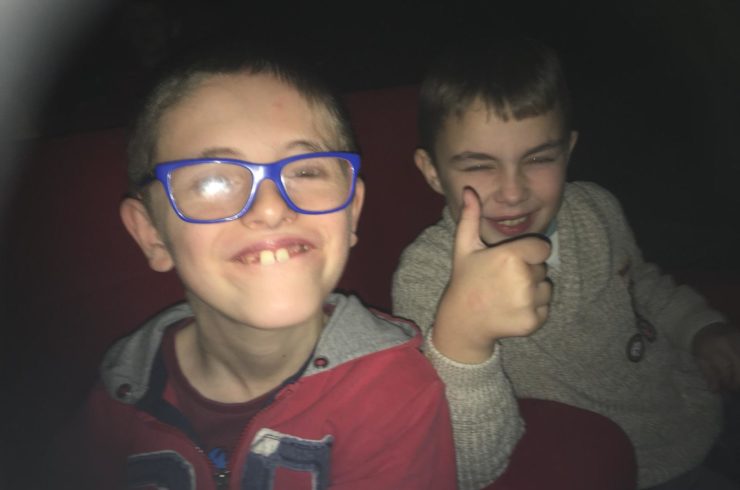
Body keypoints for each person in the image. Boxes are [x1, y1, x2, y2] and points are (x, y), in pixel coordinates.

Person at [53, 44, 458, 489]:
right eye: (212, 179)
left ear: (352, 212)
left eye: (305, 171)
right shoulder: (118, 395)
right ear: (151, 232)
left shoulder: (395, 393)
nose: (269, 207)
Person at [392, 36, 740, 489]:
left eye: (538, 158)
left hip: (697, 397)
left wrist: (700, 329)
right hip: (632, 466)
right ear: (433, 172)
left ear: (568, 151)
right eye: (479, 166)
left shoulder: (596, 207)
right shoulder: (426, 279)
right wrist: (466, 341)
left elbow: (644, 285)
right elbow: (464, 462)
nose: (513, 192)